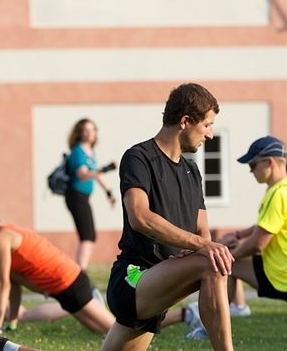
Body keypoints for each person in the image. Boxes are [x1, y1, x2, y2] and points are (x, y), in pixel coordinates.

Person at [101, 83, 235, 351]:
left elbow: (202, 231)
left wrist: (197, 246)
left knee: (210, 257)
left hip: (162, 282)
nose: (210, 134)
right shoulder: (139, 157)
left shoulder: (192, 172)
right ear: (185, 121)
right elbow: (140, 217)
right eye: (207, 125)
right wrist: (201, 247)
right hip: (134, 278)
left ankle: (5, 347)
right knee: (213, 263)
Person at [0, 200, 114, 335]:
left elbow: (3, 285)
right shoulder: (5, 233)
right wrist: (11, 322)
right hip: (63, 287)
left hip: (70, 283)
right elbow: (12, 283)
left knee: (115, 330)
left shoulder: (1, 238)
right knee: (102, 332)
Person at [216, 136, 287, 322]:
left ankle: (215, 324)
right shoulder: (281, 190)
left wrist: (228, 257)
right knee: (230, 257)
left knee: (227, 262)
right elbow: (267, 225)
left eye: (253, 164)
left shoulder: (277, 194)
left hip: (281, 276)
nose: (250, 170)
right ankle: (233, 310)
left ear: (269, 162)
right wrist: (238, 235)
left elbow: (258, 243)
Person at [65, 118, 117, 270]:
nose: (89, 133)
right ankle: (80, 271)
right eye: (86, 130)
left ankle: (80, 269)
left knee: (90, 236)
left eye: (92, 130)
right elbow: (83, 174)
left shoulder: (90, 151)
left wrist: (108, 192)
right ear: (79, 133)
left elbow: (96, 173)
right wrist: (107, 168)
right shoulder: (77, 151)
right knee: (87, 235)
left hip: (84, 196)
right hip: (76, 195)